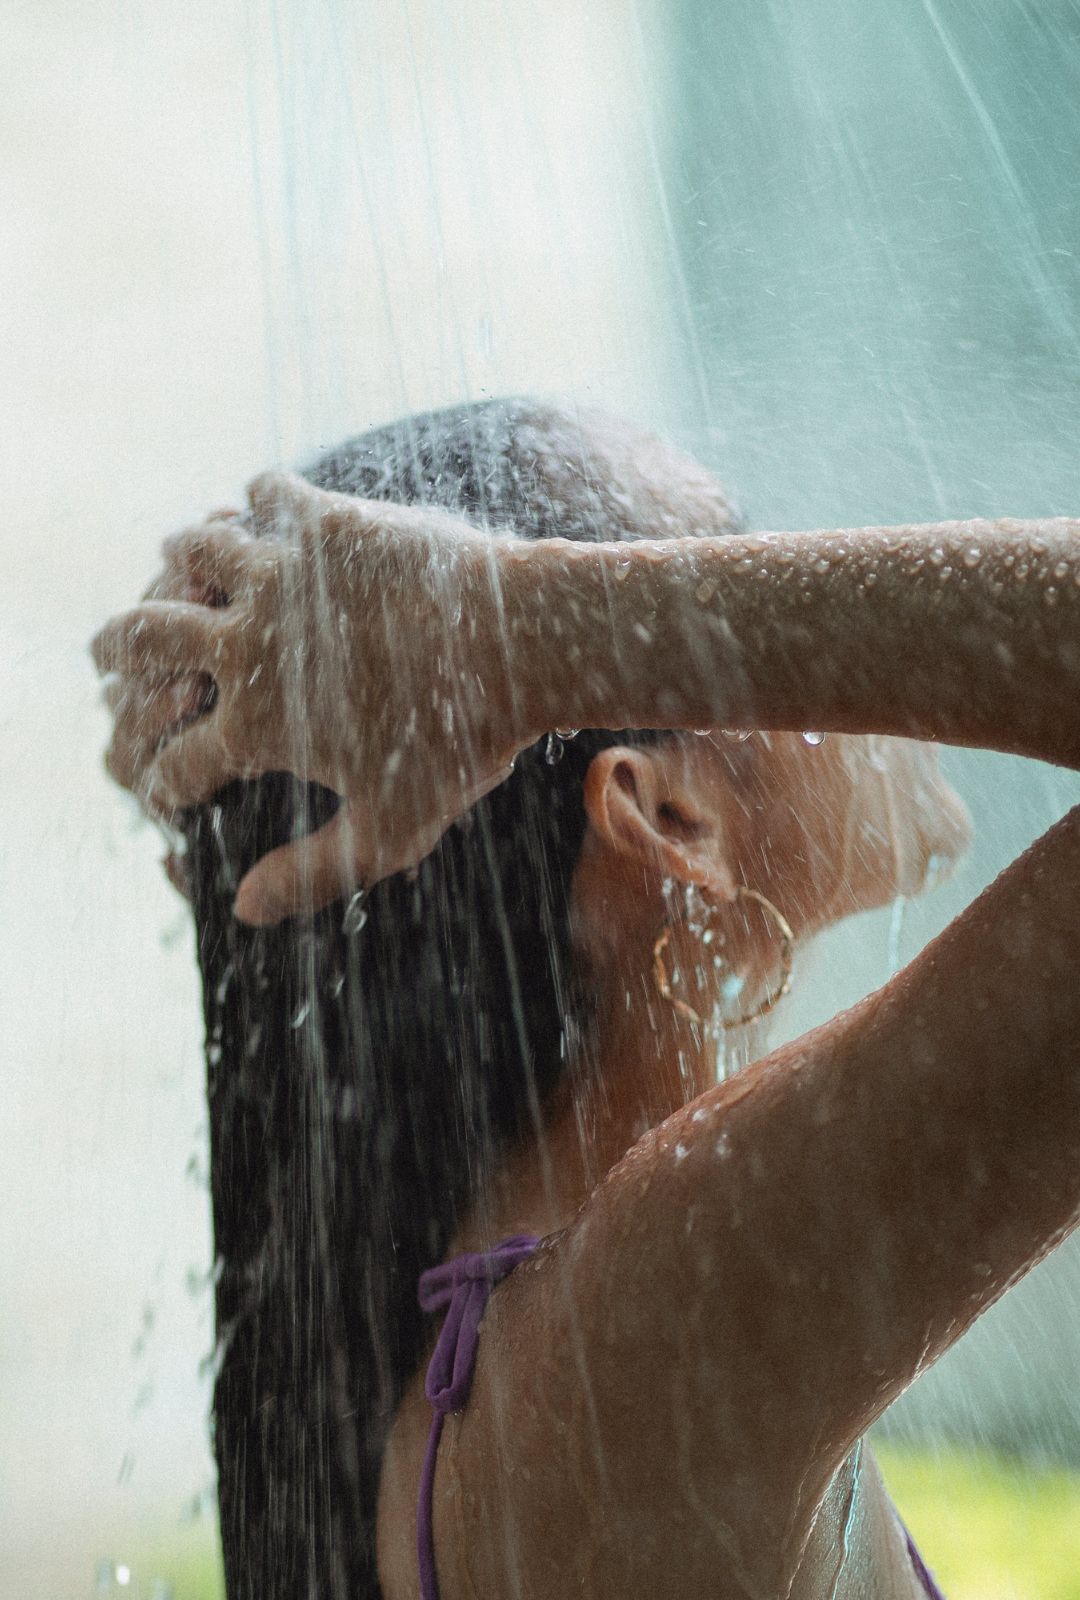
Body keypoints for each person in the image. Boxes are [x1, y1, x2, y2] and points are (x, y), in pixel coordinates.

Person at [93, 398, 1080, 1599]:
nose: (813, 601)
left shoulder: (566, 1333)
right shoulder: (655, 1321)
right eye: (717, 578)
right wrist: (522, 629)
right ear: (666, 818)